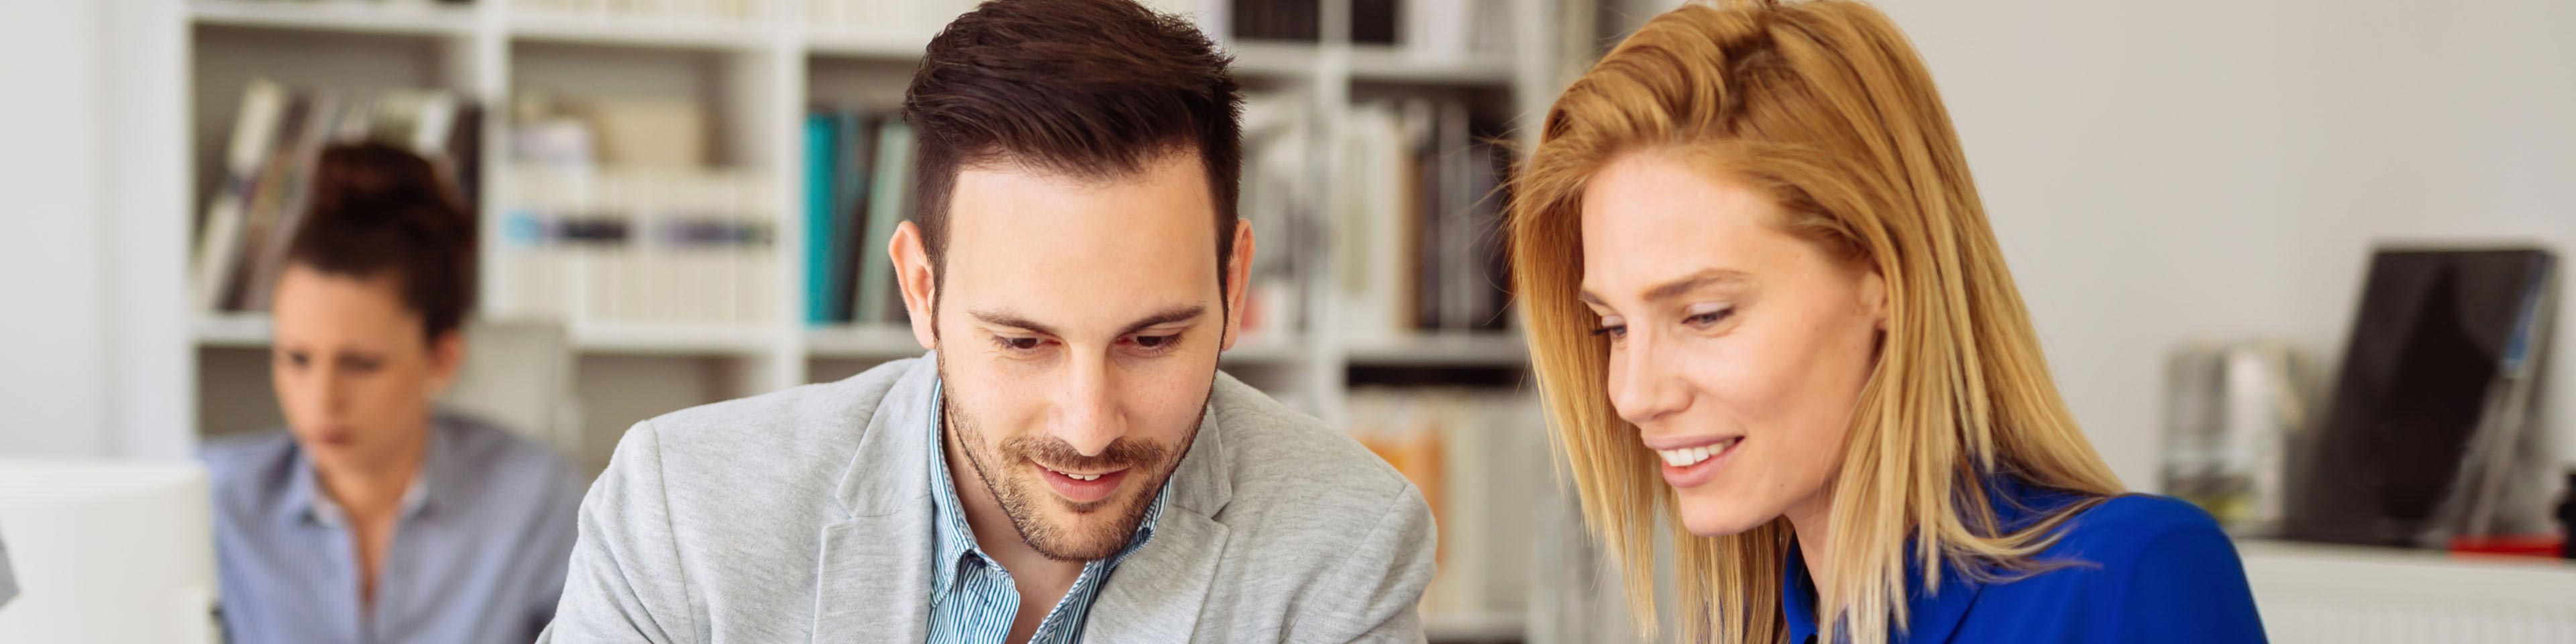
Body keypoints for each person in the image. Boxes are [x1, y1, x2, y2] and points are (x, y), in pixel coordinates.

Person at [539, 1, 1437, 642]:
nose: (1090, 426)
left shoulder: (1346, 541)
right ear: (919, 289)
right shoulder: (683, 512)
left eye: (1152, 340)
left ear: (1235, 283)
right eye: (1022, 341)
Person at [1505, 1, 2266, 643]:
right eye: (1612, 328)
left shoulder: (2130, 578)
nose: (1635, 395)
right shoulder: (1764, 621)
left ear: (1887, 278)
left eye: (1705, 314)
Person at [199, 142, 584, 643]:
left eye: (360, 364)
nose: (321, 399)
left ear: (441, 359)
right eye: (296, 358)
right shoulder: (215, 498)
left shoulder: (534, 497)